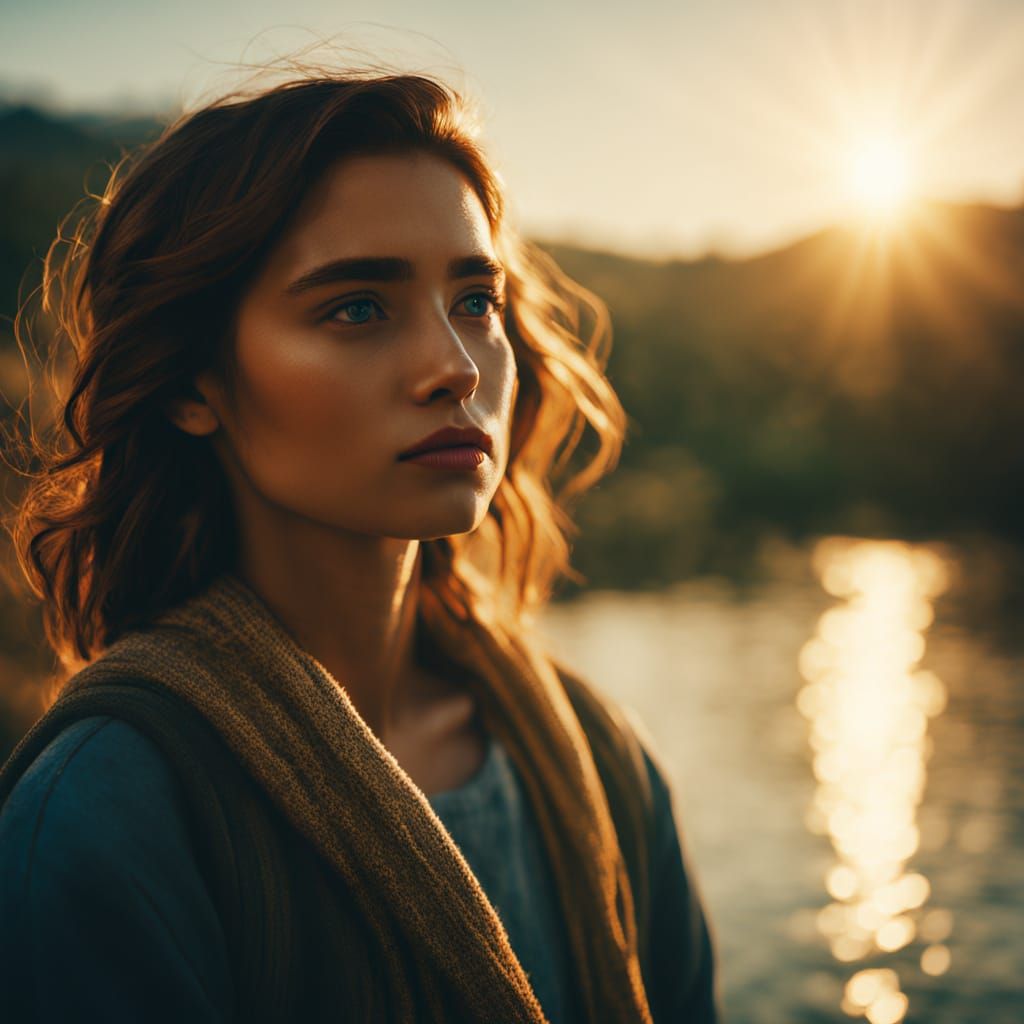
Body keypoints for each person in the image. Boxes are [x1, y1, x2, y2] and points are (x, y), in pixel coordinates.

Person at [0, 63, 721, 1023]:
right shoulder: (104, 817)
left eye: (475, 300)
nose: (455, 367)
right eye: (358, 308)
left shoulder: (594, 759)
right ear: (191, 384)